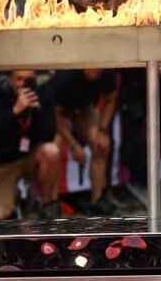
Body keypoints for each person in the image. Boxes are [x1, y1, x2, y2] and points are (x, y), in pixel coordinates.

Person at [0, 70, 62, 219]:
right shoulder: (0, 93)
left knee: (51, 150)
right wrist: (16, 111)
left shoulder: (43, 91)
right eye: (19, 79)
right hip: (6, 161)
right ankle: (15, 198)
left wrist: (35, 107)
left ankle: (46, 203)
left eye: (28, 80)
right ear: (9, 79)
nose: (23, 84)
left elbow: (49, 133)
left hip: (31, 157)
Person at [49, 69, 118, 215]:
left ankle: (97, 200)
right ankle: (51, 202)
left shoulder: (109, 73)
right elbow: (54, 115)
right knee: (55, 146)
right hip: (57, 111)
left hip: (84, 107)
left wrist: (103, 131)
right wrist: (74, 145)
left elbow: (110, 100)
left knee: (102, 145)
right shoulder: (64, 78)